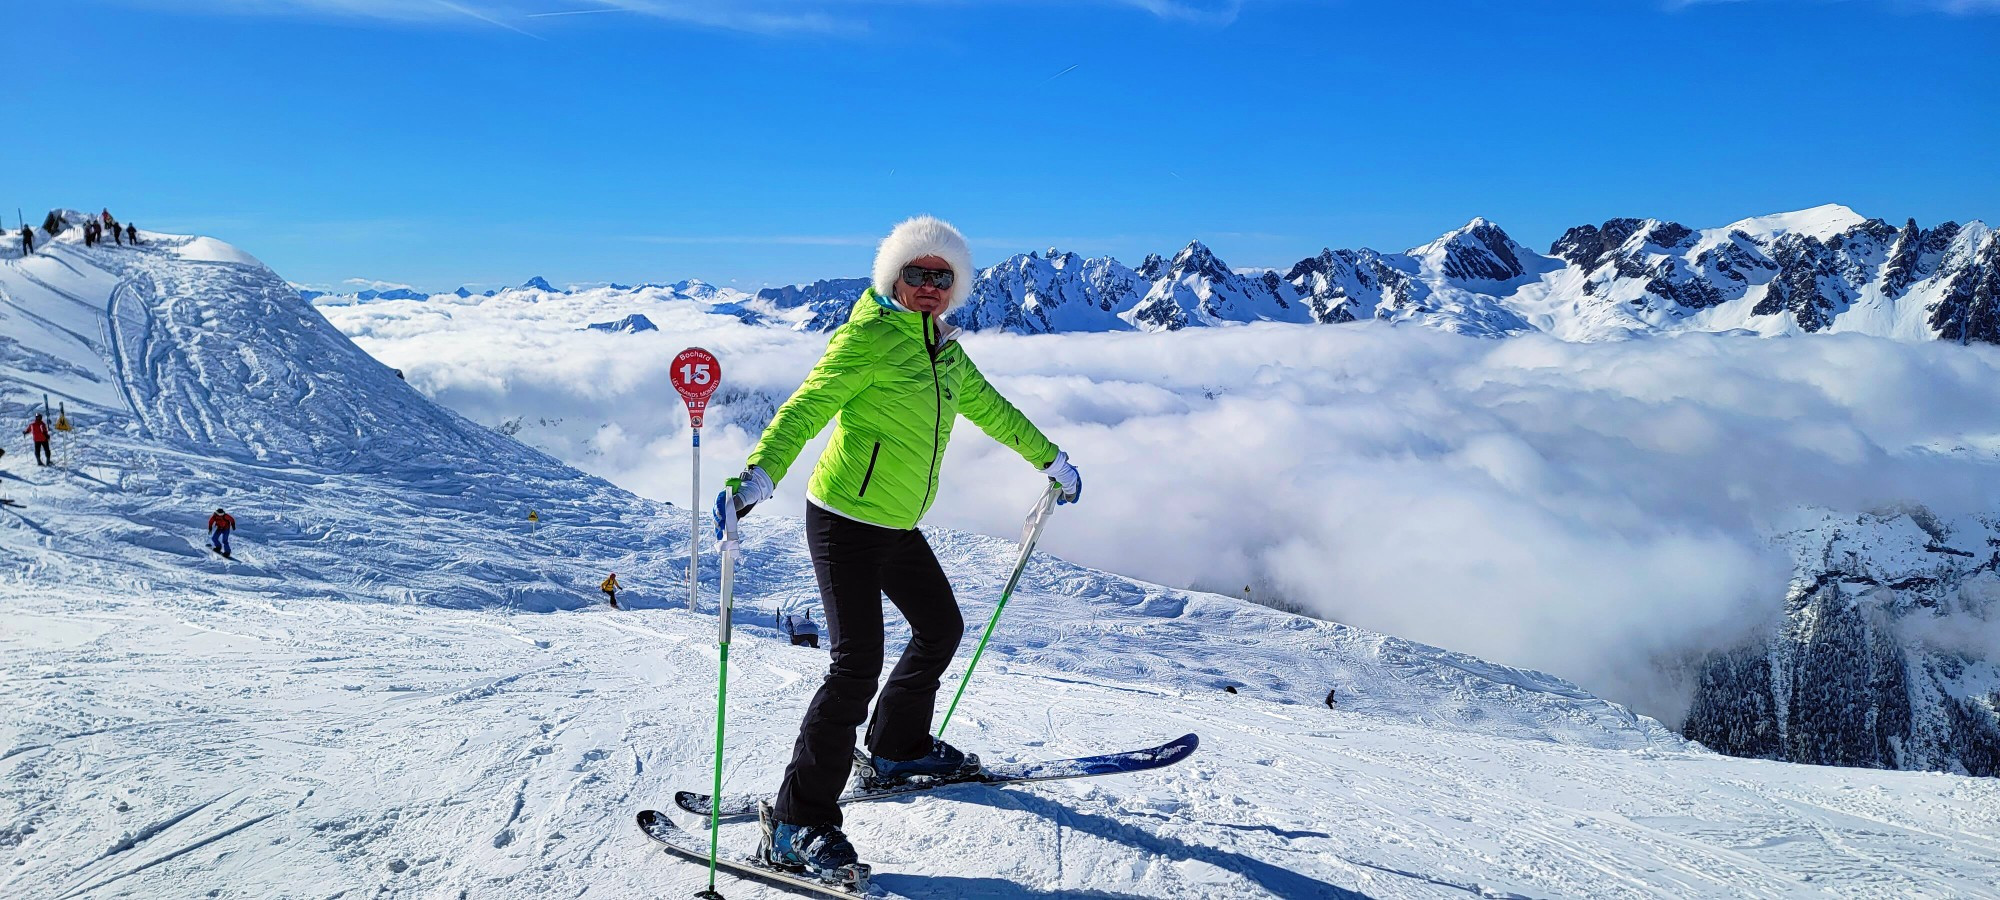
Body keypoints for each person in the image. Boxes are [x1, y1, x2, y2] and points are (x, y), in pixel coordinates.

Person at [713, 215, 1083, 884]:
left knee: (942, 626)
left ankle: (896, 748)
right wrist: (759, 476)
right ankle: (798, 823)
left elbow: (996, 412)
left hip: (897, 525)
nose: (930, 287)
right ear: (894, 277)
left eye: (944, 277)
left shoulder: (946, 353)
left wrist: (1051, 459)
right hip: (843, 521)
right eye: (918, 273)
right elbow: (807, 405)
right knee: (857, 664)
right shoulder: (869, 338)